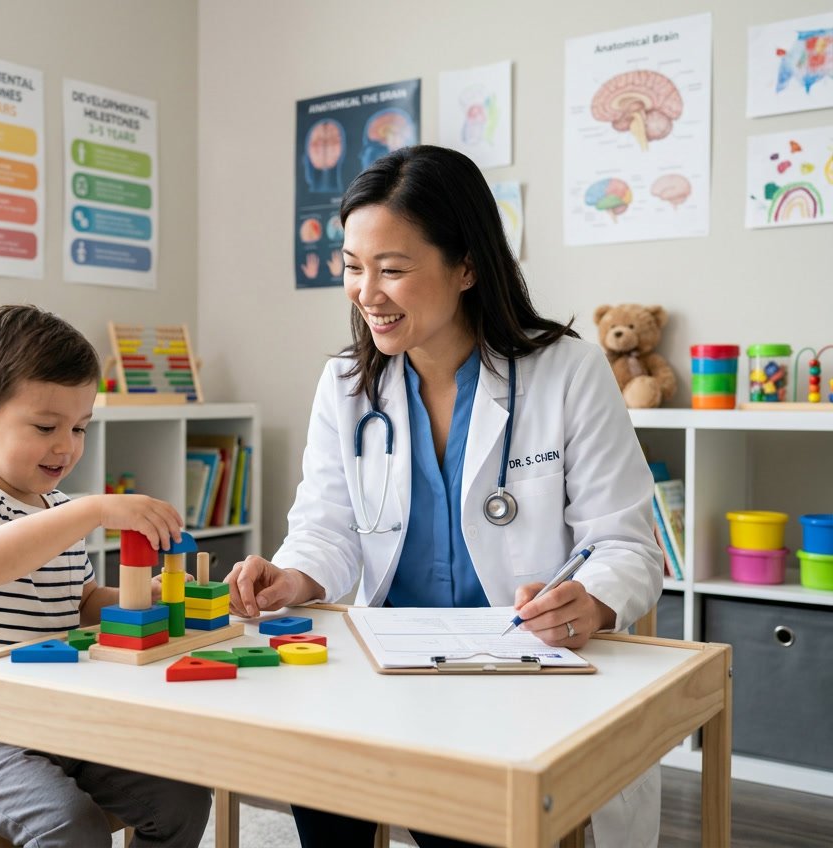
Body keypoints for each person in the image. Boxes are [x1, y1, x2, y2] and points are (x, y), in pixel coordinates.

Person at [225, 145, 663, 848]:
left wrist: (593, 597)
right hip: (384, 668)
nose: (368, 293)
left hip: (520, 667)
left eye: (393, 270)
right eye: (352, 268)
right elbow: (326, 528)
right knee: (319, 781)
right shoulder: (346, 386)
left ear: (467, 267)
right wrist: (291, 576)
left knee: (468, 821)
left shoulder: (566, 371)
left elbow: (623, 543)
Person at [0, 304, 211, 848]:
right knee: (69, 826)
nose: (66, 445)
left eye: (79, 427)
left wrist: (152, 598)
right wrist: (90, 511)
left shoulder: (58, 508)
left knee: (182, 796)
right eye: (47, 426)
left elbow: (83, 599)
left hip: (60, 723)